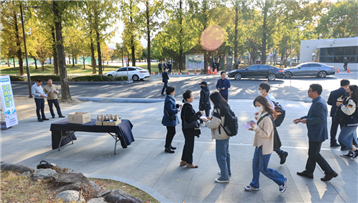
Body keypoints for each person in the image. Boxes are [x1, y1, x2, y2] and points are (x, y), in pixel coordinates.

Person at [294, 84, 338, 181]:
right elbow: (313, 115)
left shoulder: (318, 103)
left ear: (315, 92)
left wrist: (307, 121)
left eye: (309, 90)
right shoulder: (318, 101)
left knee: (315, 153)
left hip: (317, 133)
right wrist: (302, 119)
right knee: (312, 152)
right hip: (317, 132)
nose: (307, 92)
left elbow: (321, 118)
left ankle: (330, 172)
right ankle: (309, 171)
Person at [244, 95, 287, 193]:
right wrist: (253, 127)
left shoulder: (267, 118)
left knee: (263, 169)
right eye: (255, 106)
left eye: (258, 105)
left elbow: (266, 134)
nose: (257, 108)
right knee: (255, 165)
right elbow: (261, 130)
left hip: (265, 146)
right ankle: (254, 185)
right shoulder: (261, 115)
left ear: (264, 105)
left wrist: (256, 128)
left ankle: (282, 180)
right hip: (259, 145)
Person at [204, 92, 231, 183]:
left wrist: (206, 121)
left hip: (221, 135)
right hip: (227, 133)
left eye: (211, 99)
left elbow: (213, 125)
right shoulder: (225, 105)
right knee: (226, 154)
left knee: (221, 156)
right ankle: (227, 172)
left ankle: (224, 177)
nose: (210, 101)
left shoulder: (218, 109)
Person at [258, 82, 288, 164]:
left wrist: (268, 124)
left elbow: (272, 113)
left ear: (264, 90)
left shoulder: (268, 100)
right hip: (268, 123)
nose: (258, 91)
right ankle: (281, 153)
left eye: (259, 89)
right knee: (268, 140)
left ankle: (281, 153)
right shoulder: (269, 96)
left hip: (269, 123)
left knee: (269, 141)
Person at [180, 90, 204, 168]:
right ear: (188, 98)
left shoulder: (186, 106)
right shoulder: (188, 107)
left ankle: (183, 160)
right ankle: (189, 163)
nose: (193, 97)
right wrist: (198, 113)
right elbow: (190, 119)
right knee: (190, 145)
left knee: (187, 144)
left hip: (185, 128)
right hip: (189, 129)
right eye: (192, 96)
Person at [327, 79, 350, 148]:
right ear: (347, 85)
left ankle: (332, 142)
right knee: (343, 128)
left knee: (334, 127)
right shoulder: (347, 93)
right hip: (343, 112)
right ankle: (343, 144)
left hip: (334, 111)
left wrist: (335, 104)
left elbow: (329, 102)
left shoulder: (333, 92)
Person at [338, 85, 358, 159]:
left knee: (341, 139)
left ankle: (355, 150)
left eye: (348, 89)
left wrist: (341, 105)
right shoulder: (349, 98)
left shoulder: (352, 100)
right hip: (350, 122)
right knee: (349, 138)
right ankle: (350, 152)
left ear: (352, 91)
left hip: (351, 122)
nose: (346, 89)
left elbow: (349, 111)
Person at [162, 86, 182, 153]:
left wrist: (177, 105)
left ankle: (169, 145)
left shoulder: (170, 98)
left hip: (170, 119)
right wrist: (177, 110)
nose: (174, 92)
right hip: (169, 119)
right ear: (171, 92)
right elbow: (170, 110)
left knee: (171, 132)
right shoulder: (169, 100)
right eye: (174, 91)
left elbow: (172, 106)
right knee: (171, 132)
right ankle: (167, 147)